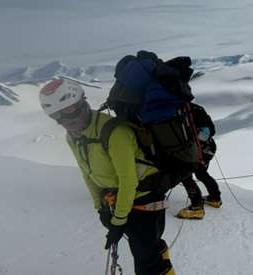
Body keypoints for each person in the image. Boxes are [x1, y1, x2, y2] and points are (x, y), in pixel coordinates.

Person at [39, 78, 175, 275]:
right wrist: (101, 208)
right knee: (148, 247)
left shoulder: (114, 132)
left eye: (67, 109)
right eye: (56, 115)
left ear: (81, 102)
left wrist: (118, 221)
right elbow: (88, 173)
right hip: (123, 200)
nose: (64, 120)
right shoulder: (73, 137)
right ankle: (158, 256)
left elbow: (128, 181)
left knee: (146, 265)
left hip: (146, 196)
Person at [176, 103, 222, 219]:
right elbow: (209, 131)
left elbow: (204, 133)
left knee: (185, 174)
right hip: (208, 148)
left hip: (198, 150)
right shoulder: (196, 109)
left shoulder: (183, 110)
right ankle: (215, 198)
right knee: (201, 173)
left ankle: (197, 206)